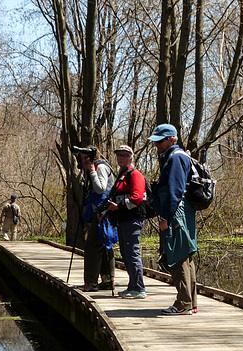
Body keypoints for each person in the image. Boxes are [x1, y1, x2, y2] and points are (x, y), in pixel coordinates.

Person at [148, 124, 198, 315]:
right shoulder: (177, 156)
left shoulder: (175, 157)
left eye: (160, 141)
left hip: (176, 212)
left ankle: (182, 304)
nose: (157, 145)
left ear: (172, 139)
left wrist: (165, 218)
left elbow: (174, 192)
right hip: (182, 211)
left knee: (178, 257)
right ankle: (190, 303)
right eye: (156, 141)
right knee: (186, 255)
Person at [106, 145, 147, 299]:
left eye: (124, 155)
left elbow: (137, 198)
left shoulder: (134, 174)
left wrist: (119, 207)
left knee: (132, 252)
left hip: (133, 219)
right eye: (119, 155)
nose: (121, 158)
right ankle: (132, 286)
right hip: (123, 220)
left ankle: (138, 288)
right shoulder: (122, 175)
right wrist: (107, 211)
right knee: (126, 252)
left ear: (131, 157)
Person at [80, 146, 116, 292]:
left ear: (94, 157)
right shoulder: (99, 166)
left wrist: (92, 172)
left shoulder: (100, 168)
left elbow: (100, 189)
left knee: (93, 247)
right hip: (100, 211)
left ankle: (91, 282)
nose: (84, 161)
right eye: (82, 158)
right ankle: (107, 281)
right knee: (104, 245)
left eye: (86, 158)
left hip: (103, 213)